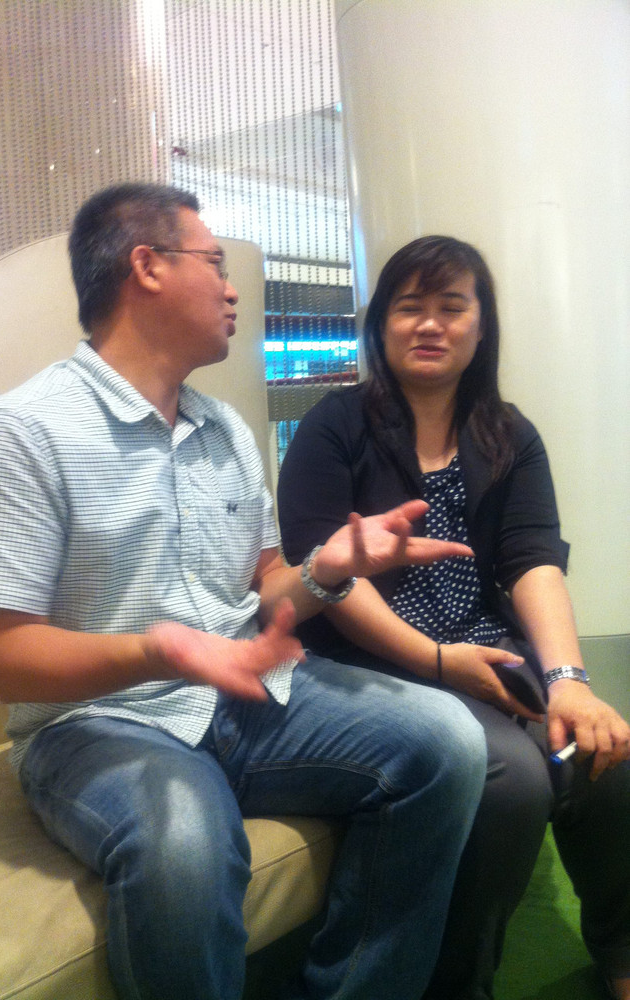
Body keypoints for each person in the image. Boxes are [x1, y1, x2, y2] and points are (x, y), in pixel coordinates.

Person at [0, 185, 488, 1000]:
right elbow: (4, 659)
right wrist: (159, 650)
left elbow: (266, 590)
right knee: (183, 842)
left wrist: (328, 570)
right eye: (214, 263)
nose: (233, 290)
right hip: (98, 724)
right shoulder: (22, 430)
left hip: (246, 697)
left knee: (446, 741)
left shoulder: (225, 430)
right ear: (147, 267)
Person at [277, 234, 630, 1000]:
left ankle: (621, 957)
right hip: (369, 665)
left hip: (483, 647)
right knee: (509, 783)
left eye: (451, 306)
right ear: (380, 324)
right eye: (409, 307)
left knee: (602, 754)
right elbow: (323, 575)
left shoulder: (507, 434)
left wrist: (567, 679)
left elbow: (532, 558)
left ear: (480, 325)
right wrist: (437, 663)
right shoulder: (333, 426)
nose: (430, 324)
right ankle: (456, 985)